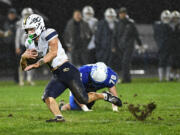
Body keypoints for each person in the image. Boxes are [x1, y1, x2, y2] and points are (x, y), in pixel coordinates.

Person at [20, 14, 121, 122]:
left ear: (39, 26)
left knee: (84, 99)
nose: (29, 32)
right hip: (57, 73)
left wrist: (38, 64)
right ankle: (59, 117)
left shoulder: (48, 33)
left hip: (67, 70)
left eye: (31, 29)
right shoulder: (29, 43)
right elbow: (24, 67)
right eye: (27, 30)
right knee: (47, 96)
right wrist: (23, 58)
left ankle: (104, 96)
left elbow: (53, 53)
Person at [113, 7, 142, 83]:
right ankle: (127, 78)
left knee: (125, 62)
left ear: (126, 14)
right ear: (119, 14)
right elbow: (115, 36)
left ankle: (125, 79)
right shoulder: (117, 23)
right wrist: (114, 46)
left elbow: (136, 34)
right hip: (120, 46)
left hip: (129, 46)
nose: (122, 14)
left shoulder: (130, 23)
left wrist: (140, 44)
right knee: (125, 63)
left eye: (124, 13)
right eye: (121, 13)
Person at [15, 7, 34, 86]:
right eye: (26, 14)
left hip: (31, 45)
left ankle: (29, 79)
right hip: (23, 45)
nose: (27, 16)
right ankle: (21, 80)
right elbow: (18, 36)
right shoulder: (20, 23)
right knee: (21, 63)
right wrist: (17, 46)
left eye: (28, 14)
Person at [153, 10, 172, 82]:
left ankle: (167, 78)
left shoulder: (170, 26)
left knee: (168, 62)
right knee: (161, 62)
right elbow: (156, 35)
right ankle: (161, 78)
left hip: (169, 47)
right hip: (161, 46)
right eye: (165, 18)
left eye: (167, 18)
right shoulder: (158, 25)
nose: (166, 20)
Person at [1, 8, 19, 83]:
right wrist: (4, 33)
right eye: (10, 14)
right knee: (10, 61)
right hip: (6, 44)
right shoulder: (4, 21)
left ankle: (18, 78)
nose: (12, 15)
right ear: (8, 14)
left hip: (16, 45)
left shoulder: (18, 21)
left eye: (13, 14)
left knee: (17, 61)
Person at [169, 11, 180, 81]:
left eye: (177, 18)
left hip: (178, 47)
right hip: (172, 47)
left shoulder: (177, 26)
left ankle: (178, 76)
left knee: (178, 63)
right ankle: (171, 76)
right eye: (174, 18)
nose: (175, 19)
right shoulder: (169, 26)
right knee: (173, 63)